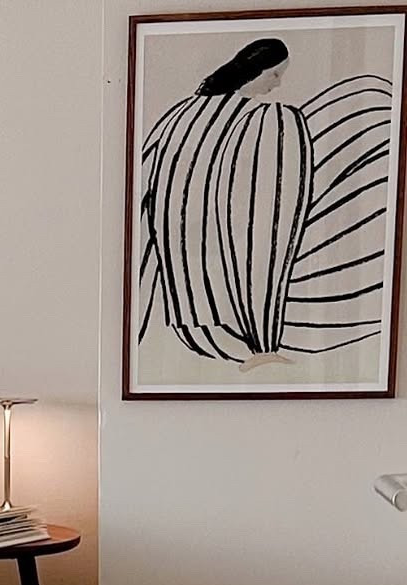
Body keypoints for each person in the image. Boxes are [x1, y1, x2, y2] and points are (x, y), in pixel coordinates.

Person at [139, 38, 391, 371]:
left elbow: (143, 218)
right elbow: (267, 237)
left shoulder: (176, 118)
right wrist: (264, 342)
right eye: (274, 75)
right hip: (244, 325)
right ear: (254, 71)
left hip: (185, 322)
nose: (278, 84)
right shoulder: (270, 122)